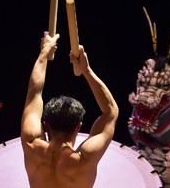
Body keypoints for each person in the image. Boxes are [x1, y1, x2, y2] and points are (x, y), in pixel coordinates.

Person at [21, 31, 119, 188]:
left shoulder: (31, 144)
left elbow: (34, 93)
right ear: (78, 127)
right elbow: (111, 111)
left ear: (45, 125)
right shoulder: (85, 159)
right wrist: (86, 70)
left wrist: (44, 53)